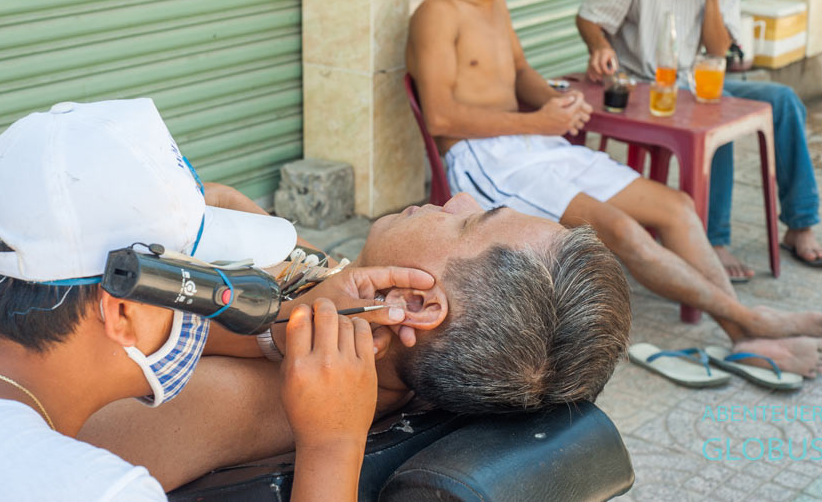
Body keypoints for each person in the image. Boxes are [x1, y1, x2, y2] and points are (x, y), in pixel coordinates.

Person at [0, 98, 430, 501]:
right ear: (123, 311)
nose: (206, 308)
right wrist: (332, 446)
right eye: (201, 288)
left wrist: (281, 323)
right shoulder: (88, 488)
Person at [404, 0, 822, 381]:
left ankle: (741, 332)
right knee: (621, 231)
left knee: (675, 207)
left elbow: (520, 71)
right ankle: (749, 324)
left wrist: (555, 100)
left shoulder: (495, 5)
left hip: (534, 145)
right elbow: (440, 118)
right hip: (484, 157)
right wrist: (537, 122)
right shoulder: (438, 13)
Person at [78, 191, 633, 490]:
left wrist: (274, 331)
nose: (458, 197)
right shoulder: (380, 348)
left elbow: (38, 402)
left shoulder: (235, 406)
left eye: (471, 222)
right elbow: (237, 209)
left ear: (411, 304)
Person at [576, 0, 822, 278]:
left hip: (693, 80)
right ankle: (713, 239)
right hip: (643, 85)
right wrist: (600, 46)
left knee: (783, 101)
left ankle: (800, 225)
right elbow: (590, 18)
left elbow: (718, 51)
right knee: (717, 122)